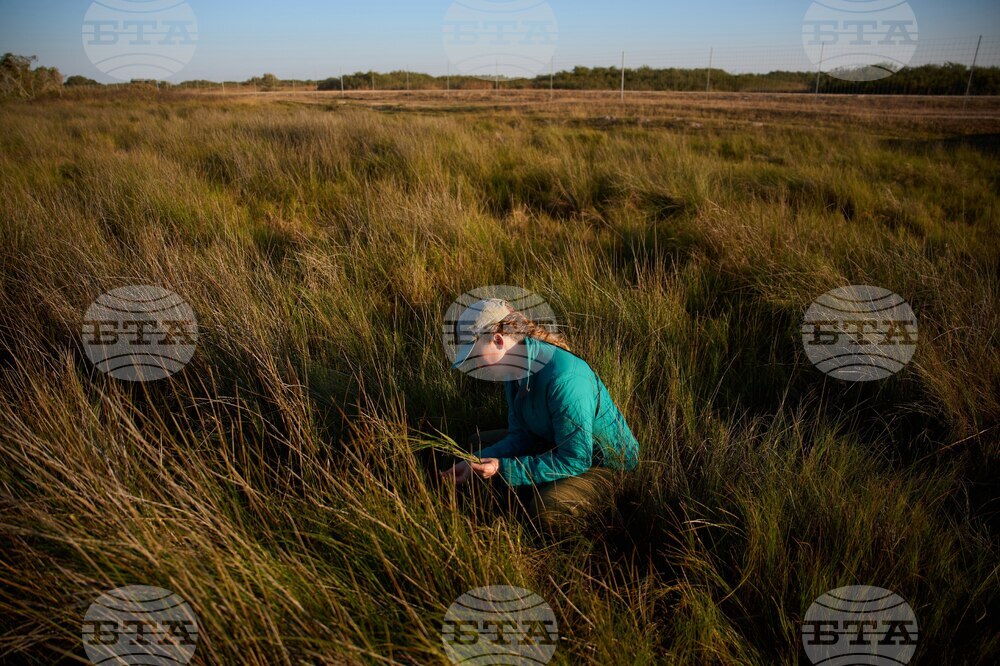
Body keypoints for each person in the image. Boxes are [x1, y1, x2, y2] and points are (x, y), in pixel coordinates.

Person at [440, 297, 640, 537]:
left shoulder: (565, 379)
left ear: (498, 340)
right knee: (476, 444)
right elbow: (521, 435)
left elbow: (576, 458)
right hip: (552, 441)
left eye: (474, 354)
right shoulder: (511, 371)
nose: (473, 365)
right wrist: (477, 460)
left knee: (546, 510)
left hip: (604, 464)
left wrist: (502, 467)